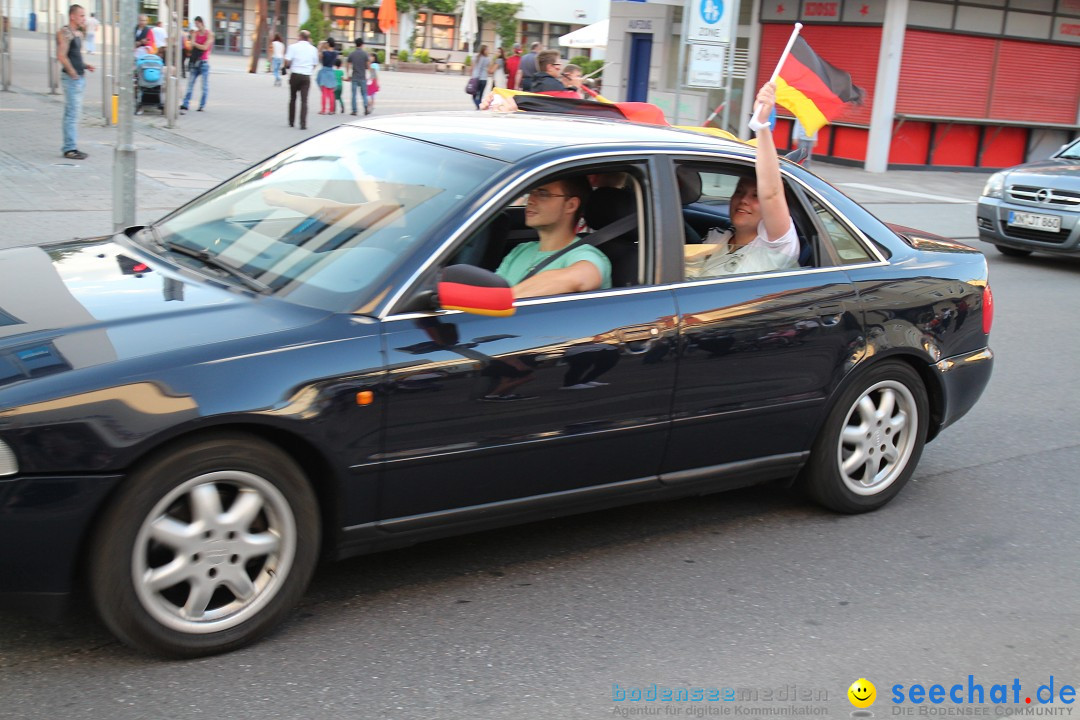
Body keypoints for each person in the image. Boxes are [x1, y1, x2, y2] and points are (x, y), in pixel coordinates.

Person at [683, 81, 799, 279]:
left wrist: (761, 126)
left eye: (756, 195)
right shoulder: (716, 238)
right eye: (739, 191)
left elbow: (771, 193)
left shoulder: (777, 246)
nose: (744, 199)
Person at [495, 177, 611, 299]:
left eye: (543, 194)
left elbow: (584, 277)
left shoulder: (585, 255)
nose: (530, 200)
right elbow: (492, 289)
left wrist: (501, 300)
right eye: (531, 193)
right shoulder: (521, 250)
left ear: (571, 205)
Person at [57, 4, 94, 160]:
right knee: (72, 115)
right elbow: (61, 56)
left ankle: (69, 146)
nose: (83, 19)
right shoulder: (65, 32)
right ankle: (70, 149)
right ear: (72, 16)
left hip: (78, 77)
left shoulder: (76, 33)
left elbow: (74, 55)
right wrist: (73, 72)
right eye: (81, 16)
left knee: (71, 114)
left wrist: (85, 65)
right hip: (73, 79)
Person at [284, 29, 319, 129]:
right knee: (304, 100)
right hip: (306, 76)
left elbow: (287, 61)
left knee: (292, 98)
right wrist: (309, 70)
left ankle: (291, 121)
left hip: (295, 74)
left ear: (300, 37)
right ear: (308, 38)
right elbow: (315, 64)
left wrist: (289, 67)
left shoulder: (292, 47)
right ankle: (303, 124)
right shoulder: (313, 49)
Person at [180, 16, 211, 112]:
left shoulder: (209, 34)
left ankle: (202, 105)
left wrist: (196, 45)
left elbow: (205, 47)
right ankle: (185, 104)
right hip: (194, 62)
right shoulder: (195, 33)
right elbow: (191, 44)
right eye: (195, 24)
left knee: (204, 86)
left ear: (201, 23)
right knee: (190, 84)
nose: (196, 26)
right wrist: (198, 45)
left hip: (204, 62)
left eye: (197, 24)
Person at [346, 37, 370, 116]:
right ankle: (366, 107)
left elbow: (348, 64)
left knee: (354, 94)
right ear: (362, 44)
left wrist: (348, 74)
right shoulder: (365, 54)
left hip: (354, 77)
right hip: (362, 77)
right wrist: (369, 73)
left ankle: (354, 110)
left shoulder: (352, 54)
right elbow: (368, 65)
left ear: (355, 44)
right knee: (364, 94)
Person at [316, 37, 338, 115]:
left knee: (324, 92)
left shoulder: (325, 53)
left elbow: (319, 55)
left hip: (324, 72)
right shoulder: (335, 53)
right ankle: (331, 110)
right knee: (331, 93)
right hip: (331, 72)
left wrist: (321, 45)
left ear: (328, 44)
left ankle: (323, 109)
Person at [470, 45, 490, 109]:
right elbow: (488, 68)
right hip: (484, 79)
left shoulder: (475, 57)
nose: (488, 51)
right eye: (487, 50)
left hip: (476, 78)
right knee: (481, 95)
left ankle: (478, 106)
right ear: (484, 50)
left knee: (474, 95)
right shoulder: (487, 59)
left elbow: (472, 68)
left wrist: (472, 76)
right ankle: (479, 106)